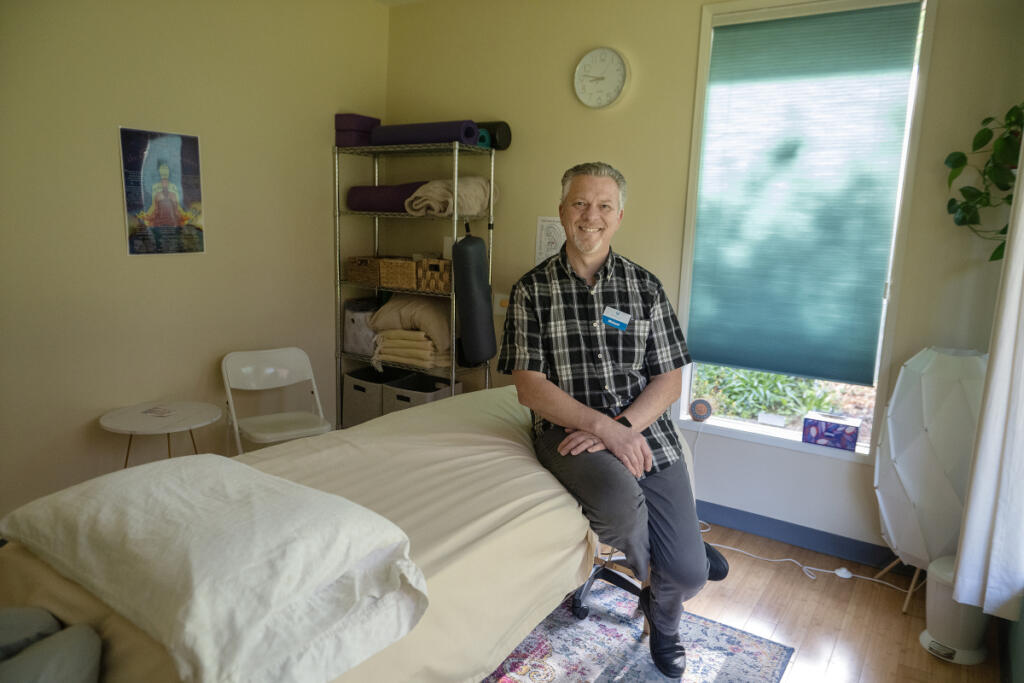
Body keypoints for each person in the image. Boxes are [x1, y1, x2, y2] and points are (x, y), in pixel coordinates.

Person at [497, 161, 728, 678]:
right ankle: (666, 622)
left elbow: (669, 379)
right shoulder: (532, 290)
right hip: (570, 434)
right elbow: (529, 386)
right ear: (561, 212)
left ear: (619, 216)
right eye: (579, 203)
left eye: (603, 205)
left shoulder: (644, 288)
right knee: (622, 511)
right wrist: (602, 429)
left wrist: (624, 427)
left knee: (689, 575)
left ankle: (678, 572)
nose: (590, 216)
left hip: (645, 432)